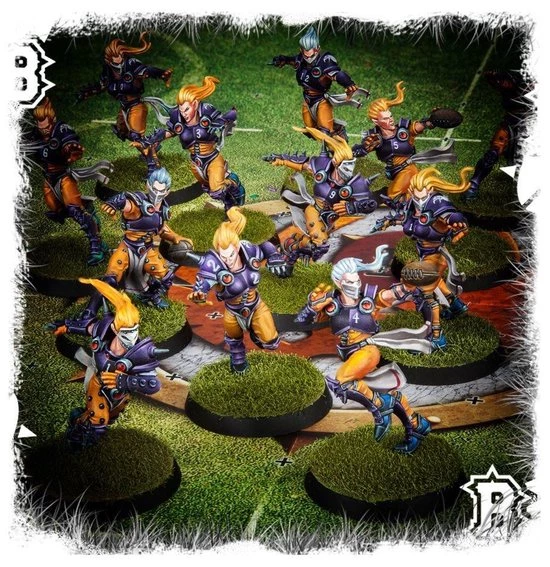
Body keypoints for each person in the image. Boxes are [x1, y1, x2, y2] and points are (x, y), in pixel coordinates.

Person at [295, 251, 432, 454]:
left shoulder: (368, 300)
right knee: (383, 390)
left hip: (367, 351)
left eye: (357, 280)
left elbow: (392, 294)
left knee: (342, 381)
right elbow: (301, 322)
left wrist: (409, 284)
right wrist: (311, 307)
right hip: (351, 356)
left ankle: (380, 406)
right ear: (339, 283)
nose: (355, 284)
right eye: (350, 281)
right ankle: (416, 424)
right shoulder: (332, 305)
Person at [50, 278, 164, 448]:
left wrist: (124, 380)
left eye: (134, 330)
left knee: (107, 418)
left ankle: (86, 430)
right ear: (115, 329)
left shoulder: (139, 352)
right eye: (127, 331)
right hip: (97, 383)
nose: (132, 336)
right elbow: (86, 327)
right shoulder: (103, 330)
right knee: (96, 419)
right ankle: (83, 437)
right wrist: (66, 326)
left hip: (119, 392)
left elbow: (153, 385)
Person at [374, 166, 473, 348]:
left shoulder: (437, 204)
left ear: (431, 191)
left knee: (422, 293)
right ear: (412, 191)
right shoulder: (411, 204)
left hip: (435, 258)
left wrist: (457, 221)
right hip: (425, 256)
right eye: (417, 197)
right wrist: (389, 221)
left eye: (423, 197)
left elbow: (450, 215)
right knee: (432, 282)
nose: (420, 201)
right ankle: (456, 305)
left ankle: (437, 337)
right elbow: (405, 218)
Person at [187, 207, 290, 373]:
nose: (227, 260)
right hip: (232, 311)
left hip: (256, 305)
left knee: (271, 342)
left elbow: (265, 246)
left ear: (236, 248)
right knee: (234, 341)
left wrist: (274, 257)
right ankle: (238, 363)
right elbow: (203, 283)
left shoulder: (248, 250)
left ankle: (256, 333)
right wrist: (199, 293)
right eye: (223, 256)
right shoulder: (213, 263)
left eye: (230, 255)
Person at [264, 126, 377, 266]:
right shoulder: (323, 167)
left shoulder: (354, 184)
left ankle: (292, 246)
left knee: (312, 245)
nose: (349, 169)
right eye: (346, 165)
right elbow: (303, 164)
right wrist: (281, 160)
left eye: (351, 165)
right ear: (336, 162)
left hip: (330, 218)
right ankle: (290, 257)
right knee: (320, 243)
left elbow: (371, 204)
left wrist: (352, 207)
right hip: (314, 209)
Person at [26, 97, 110, 266]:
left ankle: (97, 248)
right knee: (57, 210)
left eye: (46, 127)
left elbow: (70, 141)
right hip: (48, 180)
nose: (44, 131)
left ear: (52, 121)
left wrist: (70, 148)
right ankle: (87, 208)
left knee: (75, 211)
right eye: (41, 127)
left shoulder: (61, 128)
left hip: (64, 177)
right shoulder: (36, 133)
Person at [143, 76, 245, 210]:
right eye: (181, 110)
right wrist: (156, 138)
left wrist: (221, 122)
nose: (184, 114)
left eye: (186, 110)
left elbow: (232, 114)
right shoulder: (178, 117)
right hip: (196, 164)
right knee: (211, 190)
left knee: (217, 190)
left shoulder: (206, 110)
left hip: (212, 158)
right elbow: (171, 132)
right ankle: (229, 203)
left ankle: (233, 183)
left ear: (195, 104)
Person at [77, 32, 173, 174]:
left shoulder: (131, 64)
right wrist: (87, 92)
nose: (119, 58)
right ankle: (151, 147)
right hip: (124, 107)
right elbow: (102, 85)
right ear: (109, 57)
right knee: (122, 131)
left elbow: (146, 70)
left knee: (137, 138)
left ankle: (155, 167)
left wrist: (161, 74)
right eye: (116, 56)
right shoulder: (108, 70)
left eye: (120, 54)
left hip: (136, 105)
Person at [352, 82, 460, 200]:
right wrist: (363, 148)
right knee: (405, 195)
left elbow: (422, 125)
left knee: (393, 197)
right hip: (394, 173)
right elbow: (357, 152)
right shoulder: (374, 137)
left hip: (408, 170)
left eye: (390, 116)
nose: (391, 120)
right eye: (386, 118)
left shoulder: (404, 130)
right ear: (376, 121)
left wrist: (432, 120)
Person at [270, 26, 368, 138]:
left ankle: (337, 136)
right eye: (305, 54)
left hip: (321, 100)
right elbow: (291, 60)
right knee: (311, 132)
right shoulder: (300, 60)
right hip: (307, 100)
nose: (308, 58)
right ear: (301, 50)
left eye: (311, 55)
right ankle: (336, 128)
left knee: (324, 132)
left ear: (317, 49)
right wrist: (282, 59)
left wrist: (348, 83)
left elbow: (337, 74)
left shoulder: (325, 61)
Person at [464, 70, 533, 200]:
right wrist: (496, 77)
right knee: (493, 153)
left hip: (530, 124)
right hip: (510, 122)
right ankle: (473, 184)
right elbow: (493, 79)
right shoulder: (508, 82)